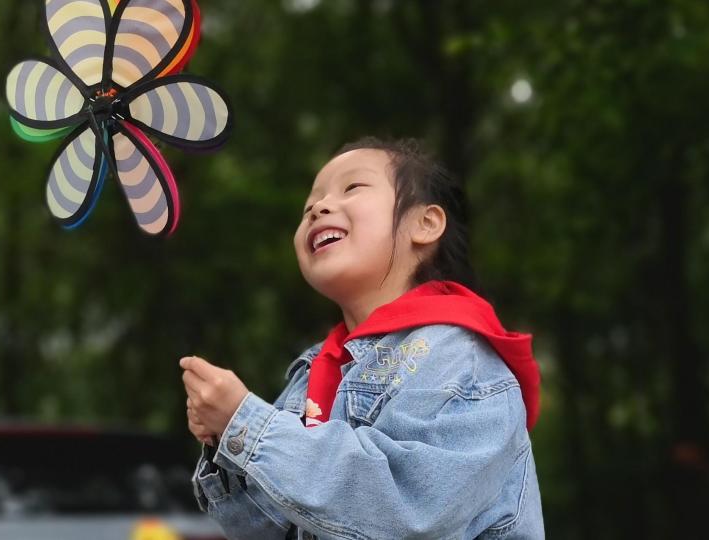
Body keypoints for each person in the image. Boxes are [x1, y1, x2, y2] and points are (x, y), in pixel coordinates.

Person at [180, 137, 544, 539]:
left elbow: (407, 513)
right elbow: (270, 528)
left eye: (352, 188)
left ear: (425, 224)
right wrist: (225, 440)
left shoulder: (460, 360)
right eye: (308, 207)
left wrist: (249, 424)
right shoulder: (313, 370)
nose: (318, 207)